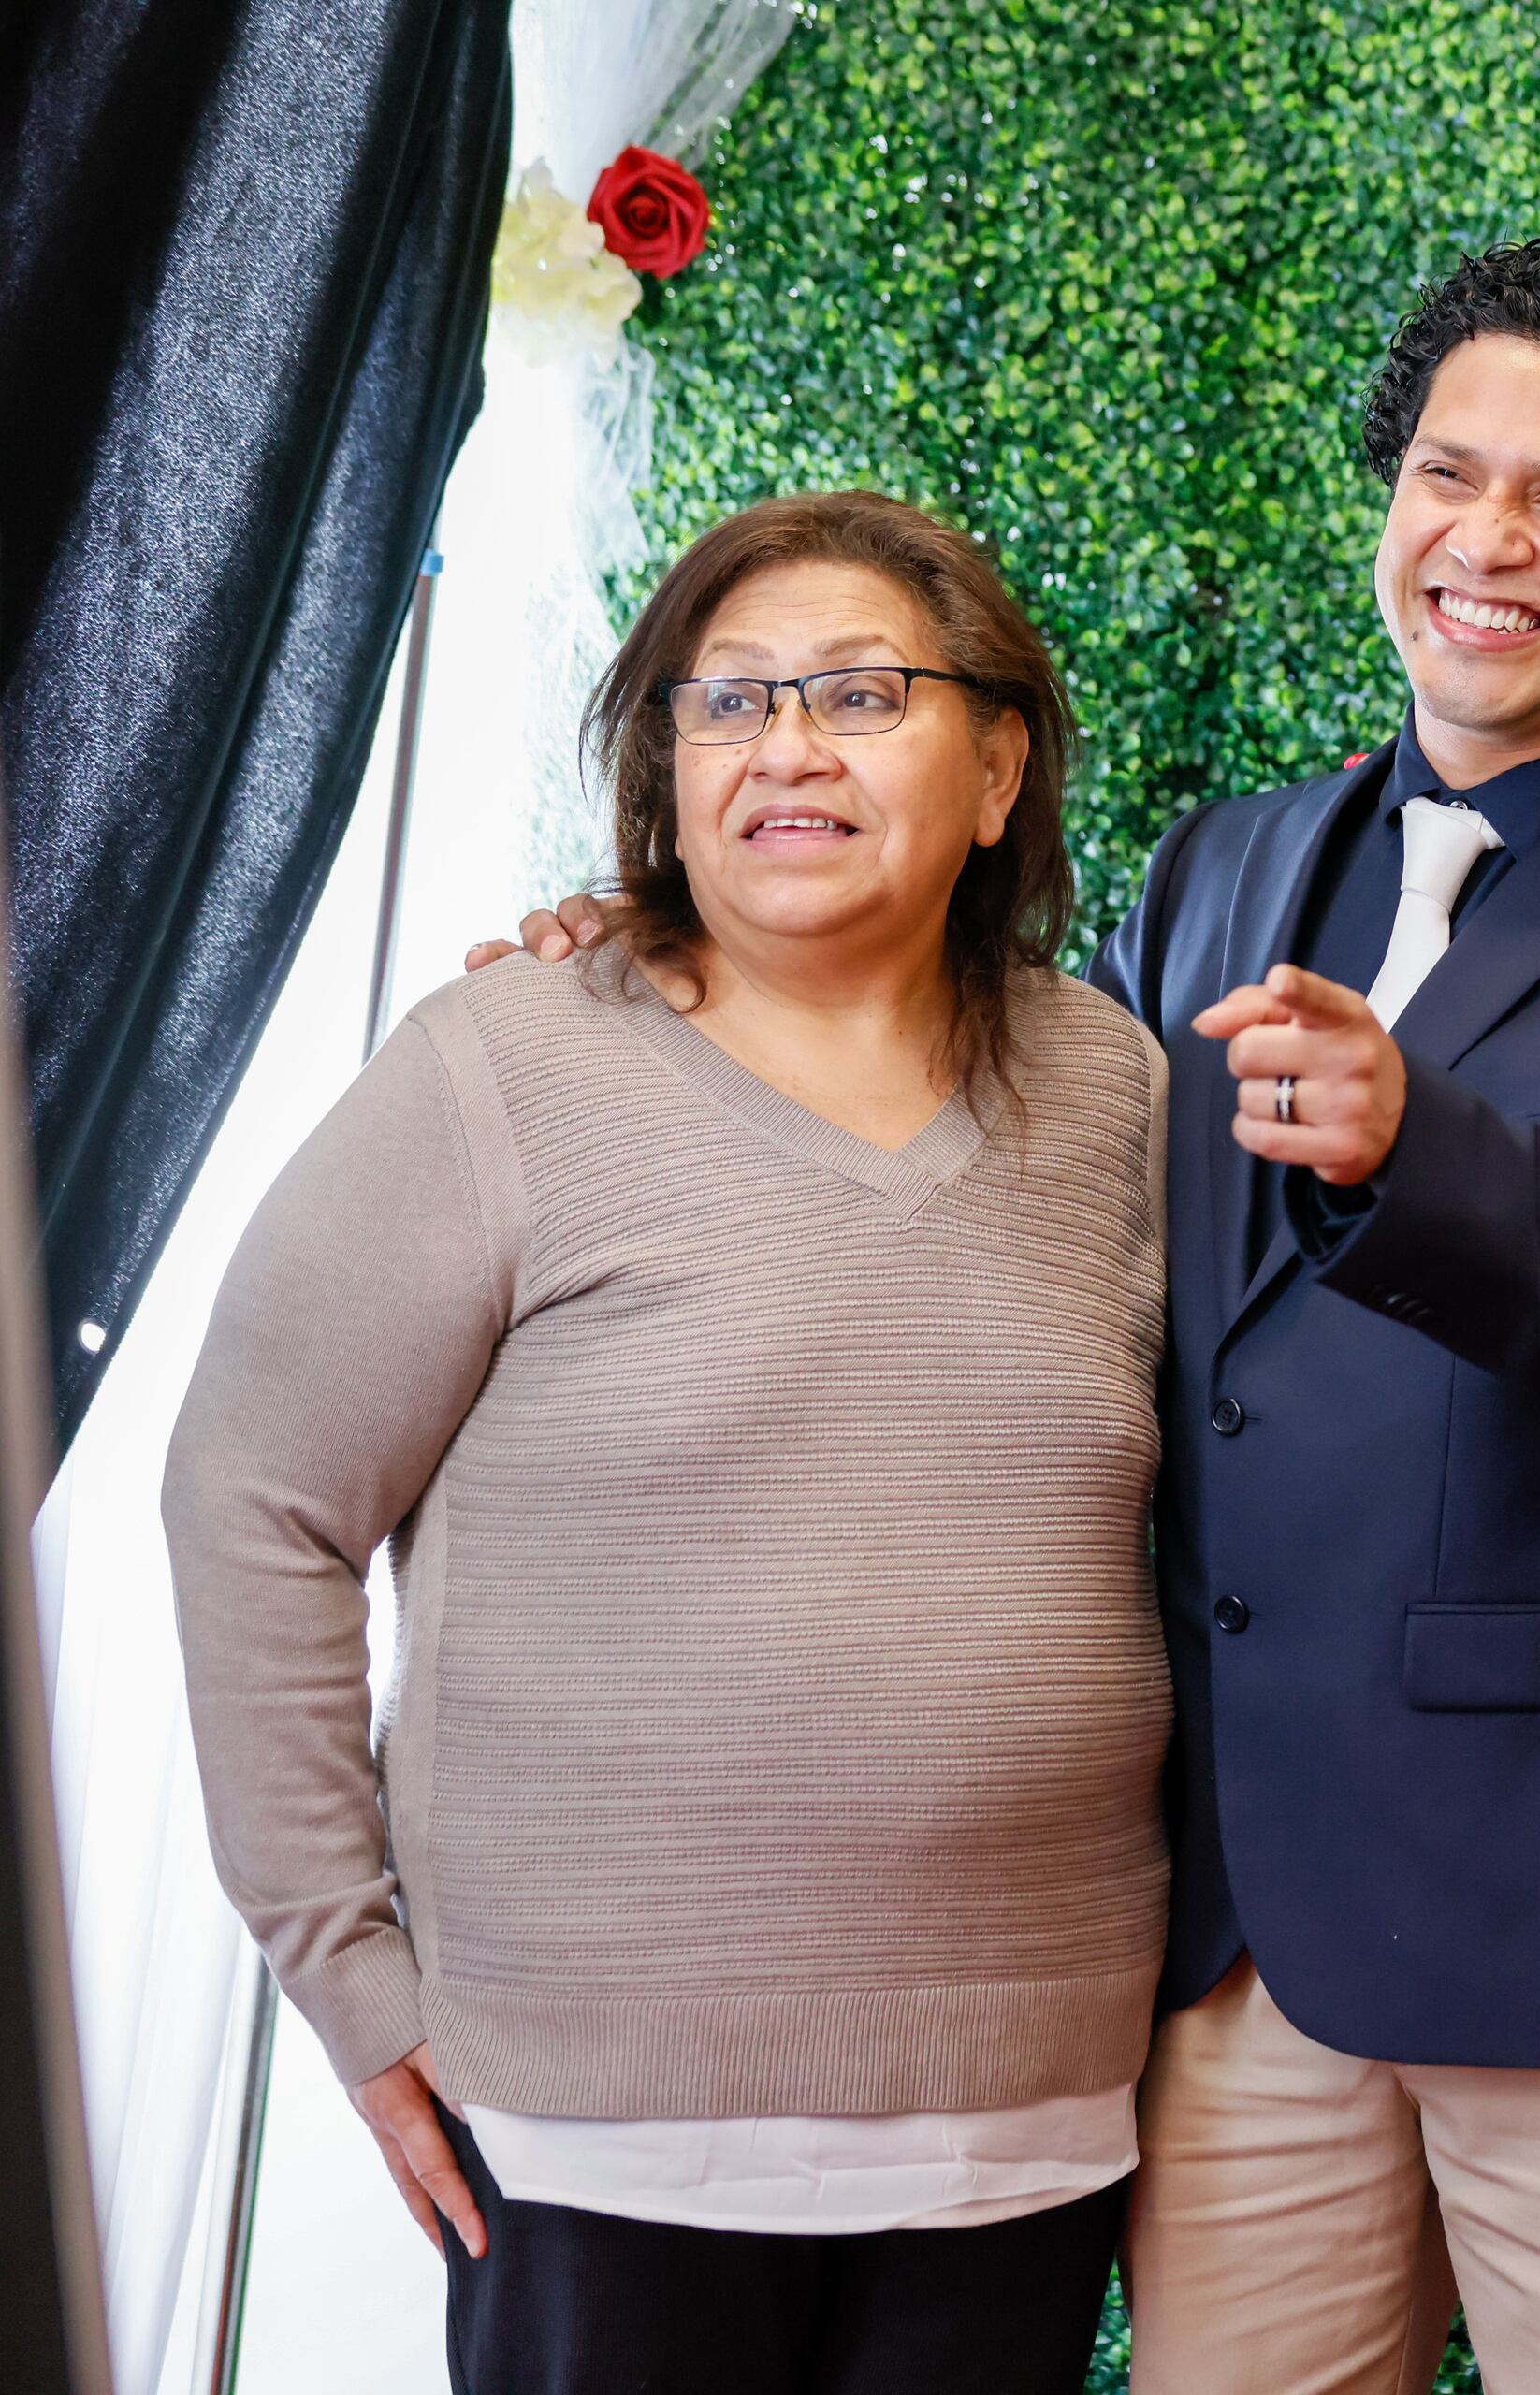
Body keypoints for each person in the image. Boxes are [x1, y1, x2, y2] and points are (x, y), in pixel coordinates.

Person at [510, 240, 1540, 2390]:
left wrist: (1410, 1144)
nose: (1484, 539)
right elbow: (988, 1144)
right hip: (1235, 1931)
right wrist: (685, 967)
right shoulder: (1226, 868)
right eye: (1447, 474)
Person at [168, 491, 1172, 2392]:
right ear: (667, 775)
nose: (786, 746)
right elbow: (253, 1500)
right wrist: (347, 1969)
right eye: (728, 702)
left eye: (860, 693)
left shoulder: (1115, 1090)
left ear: (995, 769)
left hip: (1024, 2126)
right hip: (590, 2134)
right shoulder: (502, 1064)